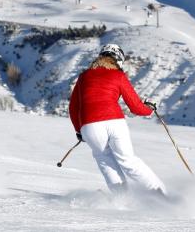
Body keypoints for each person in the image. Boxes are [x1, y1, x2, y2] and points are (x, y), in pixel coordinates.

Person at [68, 43, 166, 196]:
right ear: (119, 61)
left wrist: (79, 130)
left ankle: (123, 198)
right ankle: (159, 193)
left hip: (89, 126)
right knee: (128, 161)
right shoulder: (118, 76)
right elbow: (135, 106)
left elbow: (73, 108)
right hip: (114, 121)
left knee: (104, 159)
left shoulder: (83, 77)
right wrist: (149, 110)